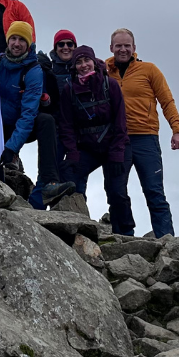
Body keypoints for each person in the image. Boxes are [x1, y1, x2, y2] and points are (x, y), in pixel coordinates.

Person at [106, 28, 179, 238]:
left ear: (134, 48)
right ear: (111, 47)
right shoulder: (103, 69)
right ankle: (123, 236)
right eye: (119, 46)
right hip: (117, 140)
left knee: (154, 191)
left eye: (127, 46)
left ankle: (166, 240)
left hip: (146, 138)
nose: (123, 50)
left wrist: (177, 130)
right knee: (116, 191)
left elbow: (166, 100)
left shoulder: (149, 70)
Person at [0, 21, 75, 208]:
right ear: (7, 40)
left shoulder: (33, 71)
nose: (16, 43)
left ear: (28, 44)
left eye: (22, 40)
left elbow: (29, 114)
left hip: (20, 126)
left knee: (46, 121)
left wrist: (11, 148)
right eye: (13, 38)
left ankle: (49, 183)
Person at [57, 45, 131, 233]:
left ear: (94, 62)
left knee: (117, 192)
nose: (83, 65)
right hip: (87, 147)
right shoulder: (69, 90)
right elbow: (66, 125)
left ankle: (124, 232)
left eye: (86, 61)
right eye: (79, 62)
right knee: (70, 176)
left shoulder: (110, 85)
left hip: (113, 145)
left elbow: (121, 121)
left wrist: (116, 153)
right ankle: (79, 225)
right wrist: (72, 154)